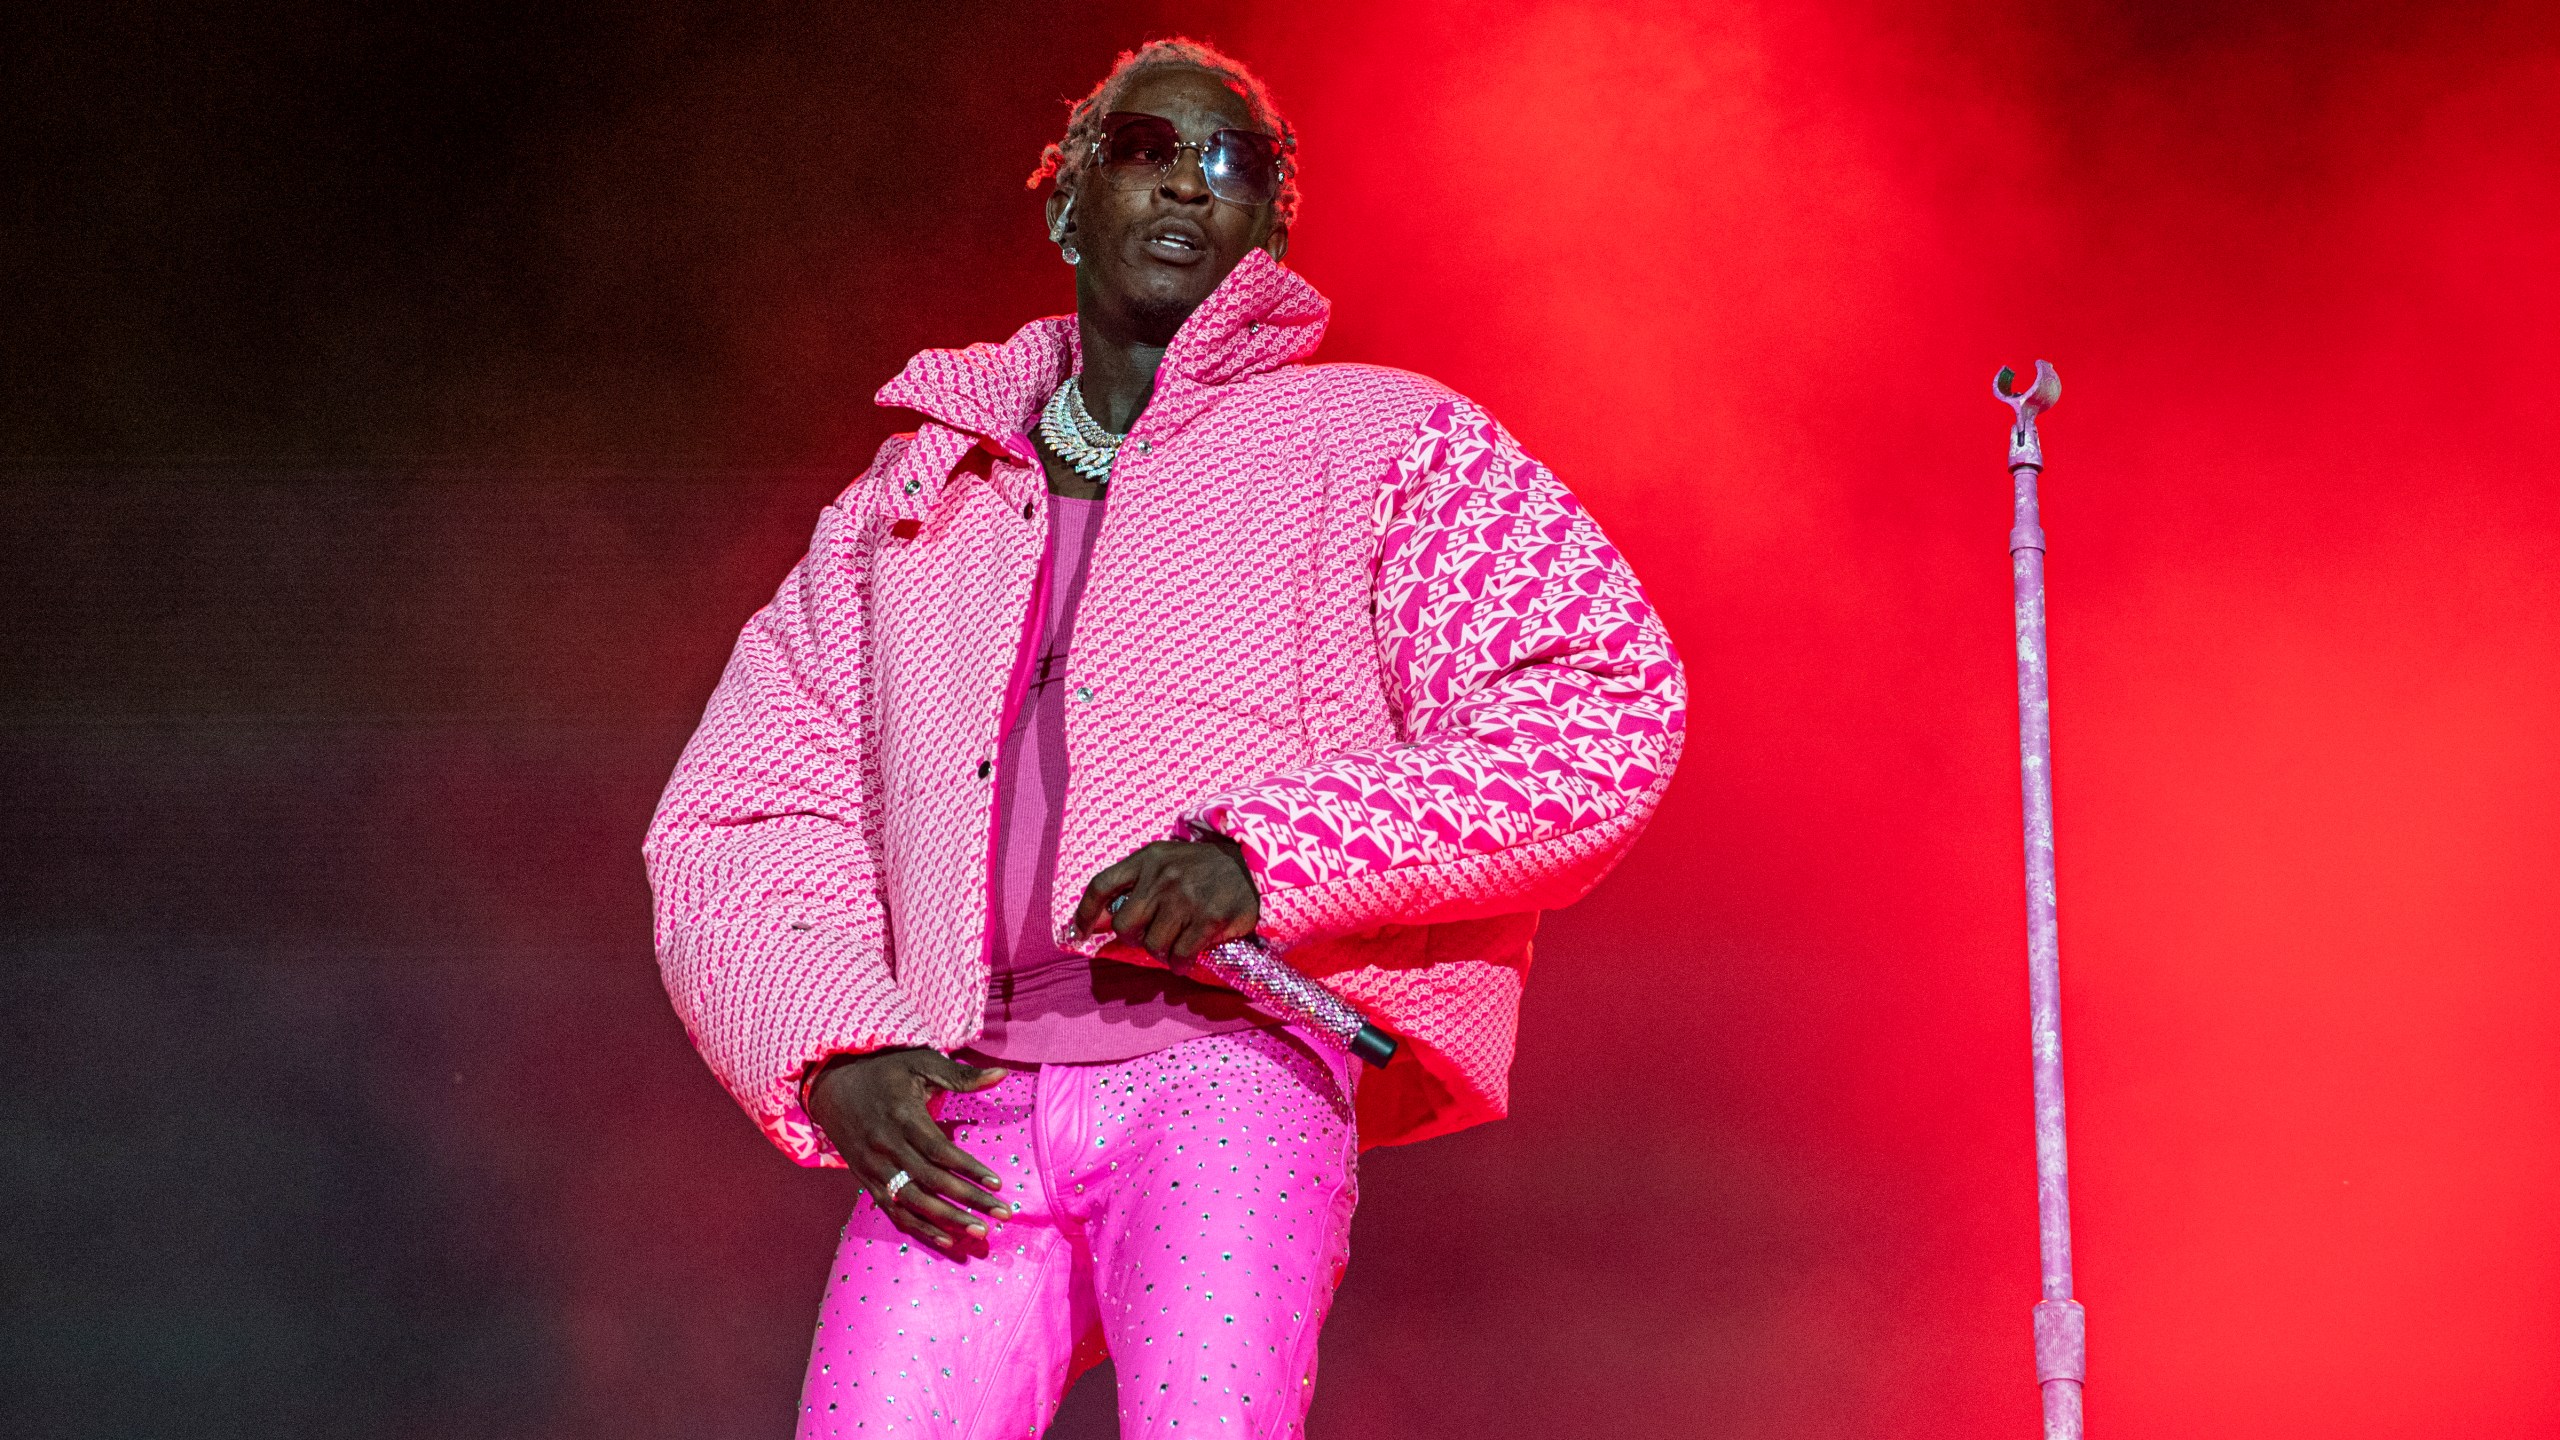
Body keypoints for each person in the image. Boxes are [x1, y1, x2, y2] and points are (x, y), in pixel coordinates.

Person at [644, 36, 1685, 1439]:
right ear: (1067, 201)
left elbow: (1601, 705)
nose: (1189, 182)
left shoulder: (1383, 443)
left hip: (1227, 1073)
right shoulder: (913, 497)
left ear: (1271, 226)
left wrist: (1267, 859)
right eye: (1145, 148)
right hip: (960, 1107)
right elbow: (743, 813)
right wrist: (836, 1050)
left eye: (1234, 161)